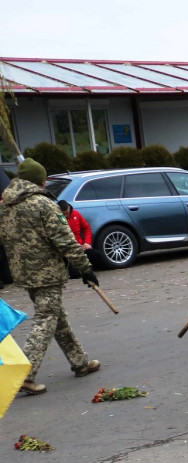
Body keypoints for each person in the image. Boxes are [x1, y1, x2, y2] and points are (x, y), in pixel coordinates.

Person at [0, 158, 100, 396]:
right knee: (46, 317)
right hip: (46, 273)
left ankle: (80, 362)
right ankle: (25, 375)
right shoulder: (43, 205)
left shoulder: (5, 206)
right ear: (40, 181)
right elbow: (66, 241)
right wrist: (85, 269)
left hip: (23, 272)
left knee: (55, 315)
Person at [57, 200, 103, 271]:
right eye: (64, 214)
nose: (66, 216)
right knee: (74, 271)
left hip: (80, 247)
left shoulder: (76, 214)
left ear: (69, 208)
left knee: (99, 256)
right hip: (67, 251)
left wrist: (86, 243)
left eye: (67, 213)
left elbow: (86, 228)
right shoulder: (55, 219)